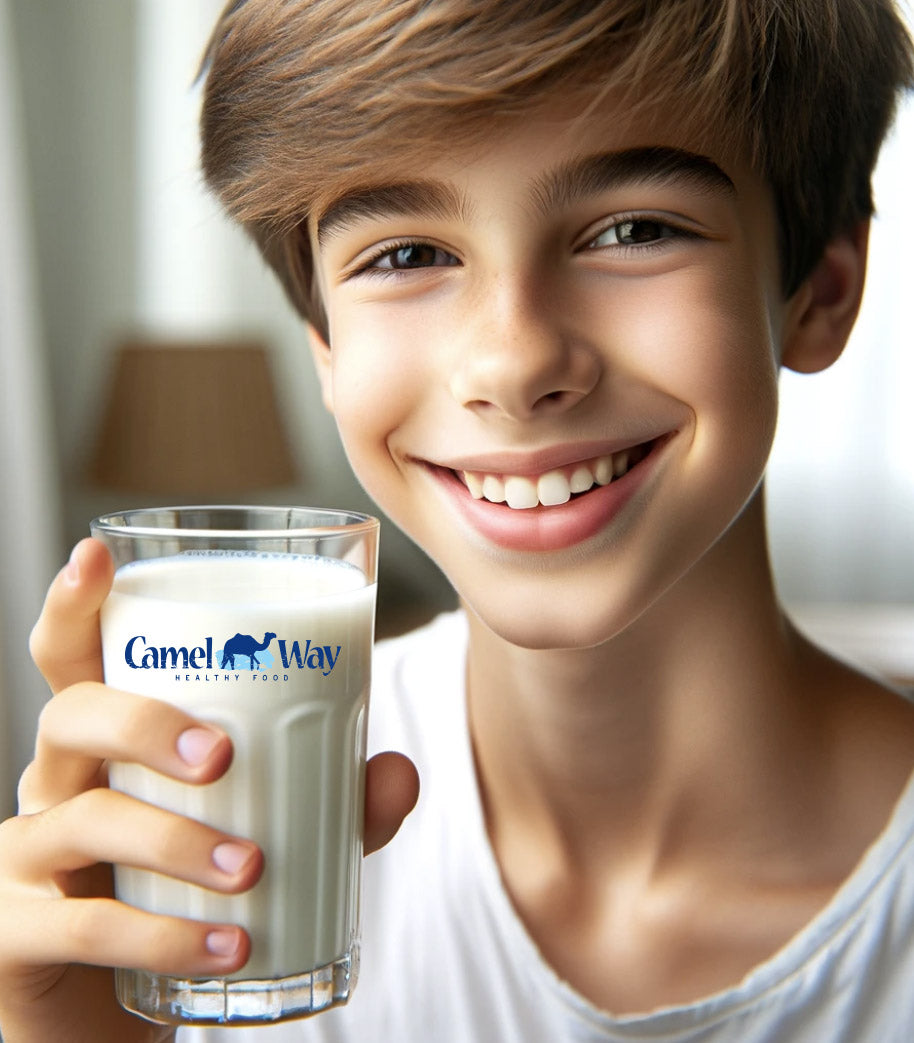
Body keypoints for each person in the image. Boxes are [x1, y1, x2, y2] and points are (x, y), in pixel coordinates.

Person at [2, 0, 914, 1040]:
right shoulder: (203, 870)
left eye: (632, 230)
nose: (511, 363)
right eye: (403, 256)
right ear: (324, 346)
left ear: (820, 292)